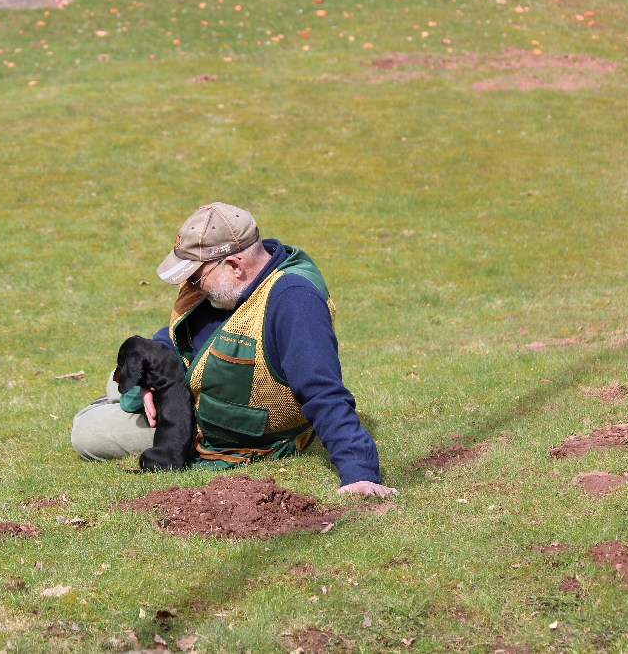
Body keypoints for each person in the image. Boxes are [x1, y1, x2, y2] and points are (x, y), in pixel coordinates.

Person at [71, 202, 397, 499]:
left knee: (85, 431)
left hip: (218, 430)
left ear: (234, 265)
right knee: (117, 381)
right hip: (187, 389)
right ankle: (125, 400)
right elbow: (179, 331)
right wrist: (153, 378)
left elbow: (323, 391)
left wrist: (359, 472)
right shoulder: (231, 284)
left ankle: (114, 406)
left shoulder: (294, 301)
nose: (193, 286)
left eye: (196, 278)